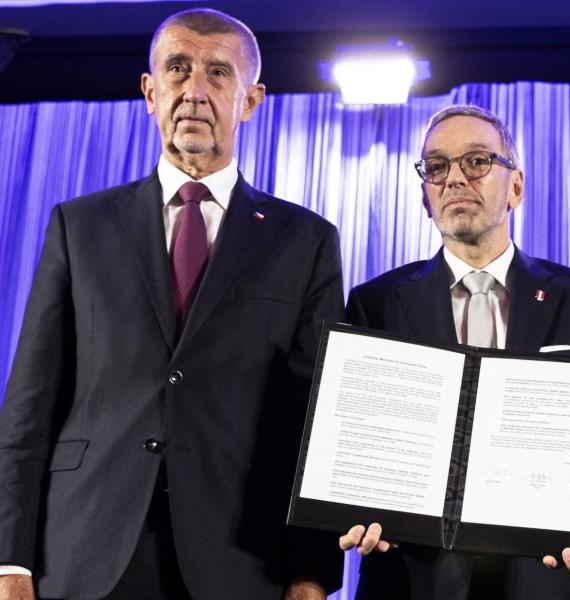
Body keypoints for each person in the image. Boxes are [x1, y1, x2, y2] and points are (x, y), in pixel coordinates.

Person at [0, 9, 344, 600]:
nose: (194, 90)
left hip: (240, 561)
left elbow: (317, 421)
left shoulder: (304, 240)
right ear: (150, 89)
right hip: (85, 552)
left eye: (218, 73)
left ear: (251, 100)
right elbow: (30, 408)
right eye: (178, 69)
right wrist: (10, 565)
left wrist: (310, 574)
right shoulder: (79, 227)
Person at [339, 104, 570, 600]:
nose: (454, 179)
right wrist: (352, 502)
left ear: (516, 186)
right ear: (425, 196)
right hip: (413, 581)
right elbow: (357, 440)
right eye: (436, 167)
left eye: (476, 161)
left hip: (546, 578)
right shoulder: (374, 302)